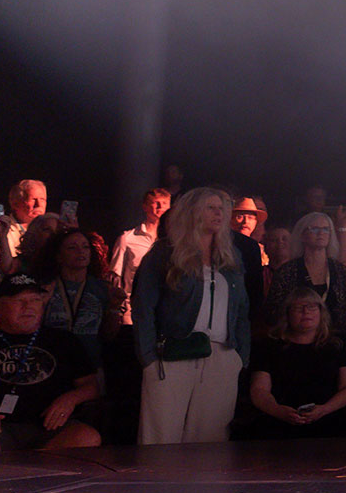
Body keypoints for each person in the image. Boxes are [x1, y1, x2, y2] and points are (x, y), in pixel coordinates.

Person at [132, 186, 252, 445]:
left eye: (221, 208)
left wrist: (239, 357)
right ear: (192, 212)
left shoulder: (231, 257)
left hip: (221, 355)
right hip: (172, 354)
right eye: (210, 207)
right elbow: (143, 307)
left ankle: (205, 487)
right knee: (161, 438)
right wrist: (149, 357)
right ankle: (159, 486)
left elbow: (242, 310)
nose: (218, 213)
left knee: (210, 440)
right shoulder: (165, 254)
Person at [0, 273, 101, 453]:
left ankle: (41, 475)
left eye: (35, 300)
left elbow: (92, 386)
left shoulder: (64, 341)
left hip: (51, 429)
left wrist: (70, 399)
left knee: (86, 437)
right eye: (19, 300)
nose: (28, 307)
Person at [245, 285, 346, 439]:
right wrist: (278, 411)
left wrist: (324, 410)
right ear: (287, 314)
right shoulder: (269, 346)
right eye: (299, 308)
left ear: (321, 312)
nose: (306, 312)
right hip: (279, 420)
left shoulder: (340, 345)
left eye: (312, 307)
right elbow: (259, 390)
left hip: (330, 419)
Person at [33, 226, 119, 379]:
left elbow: (109, 335)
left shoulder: (101, 288)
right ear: (58, 256)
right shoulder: (45, 286)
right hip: (51, 364)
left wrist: (114, 307)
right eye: (72, 247)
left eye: (85, 247)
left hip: (90, 365)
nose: (81, 251)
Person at [265, 212, 346, 340]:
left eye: (325, 229)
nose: (321, 233)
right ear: (302, 235)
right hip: (295, 341)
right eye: (315, 229)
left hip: (336, 341)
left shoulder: (342, 272)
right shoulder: (287, 272)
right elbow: (273, 311)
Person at [109, 188, 172, 323]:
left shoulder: (175, 241)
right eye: (156, 203)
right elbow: (115, 278)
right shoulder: (127, 239)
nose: (160, 207)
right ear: (145, 206)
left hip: (165, 310)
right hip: (132, 311)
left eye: (164, 203)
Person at [0, 180, 47, 274]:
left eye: (42, 199)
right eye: (33, 199)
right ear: (15, 204)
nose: (39, 205)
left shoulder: (51, 231)